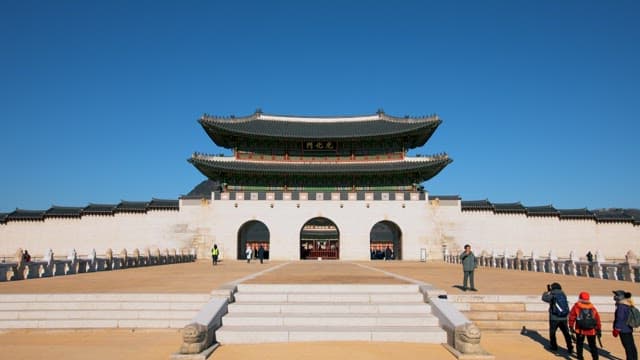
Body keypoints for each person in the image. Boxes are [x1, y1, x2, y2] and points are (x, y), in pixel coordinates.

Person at [541, 282, 573, 354]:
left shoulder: (552, 294)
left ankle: (554, 346)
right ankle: (570, 347)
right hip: (564, 317)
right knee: (566, 333)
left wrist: (547, 292)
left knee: (552, 333)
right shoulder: (563, 294)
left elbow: (544, 298)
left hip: (554, 317)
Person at [569, 291, 601, 360]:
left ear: (580, 298)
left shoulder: (576, 306)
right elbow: (597, 318)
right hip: (591, 330)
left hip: (580, 330)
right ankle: (595, 358)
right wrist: (599, 329)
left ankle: (580, 357)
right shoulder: (592, 307)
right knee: (593, 346)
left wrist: (571, 326)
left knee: (579, 345)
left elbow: (572, 317)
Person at [613, 290, 638, 360]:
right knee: (632, 346)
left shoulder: (621, 306)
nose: (615, 296)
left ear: (620, 297)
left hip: (623, 330)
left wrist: (616, 329)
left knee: (627, 347)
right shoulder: (627, 304)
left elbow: (620, 318)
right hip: (629, 328)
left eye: (616, 295)